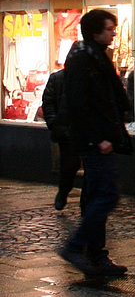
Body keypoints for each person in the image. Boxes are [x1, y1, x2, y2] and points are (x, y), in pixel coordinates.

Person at [58, 9, 132, 278]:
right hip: (95, 142)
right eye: (109, 28)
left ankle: (95, 254)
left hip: (103, 139)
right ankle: (78, 247)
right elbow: (78, 105)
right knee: (107, 195)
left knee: (97, 197)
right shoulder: (82, 59)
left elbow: (111, 97)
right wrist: (98, 138)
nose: (114, 32)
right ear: (95, 31)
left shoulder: (97, 56)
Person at [41, 65, 86, 212]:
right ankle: (63, 191)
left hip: (88, 131)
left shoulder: (92, 77)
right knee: (69, 166)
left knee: (91, 168)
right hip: (67, 131)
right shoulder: (58, 78)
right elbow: (48, 102)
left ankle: (86, 203)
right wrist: (55, 124)